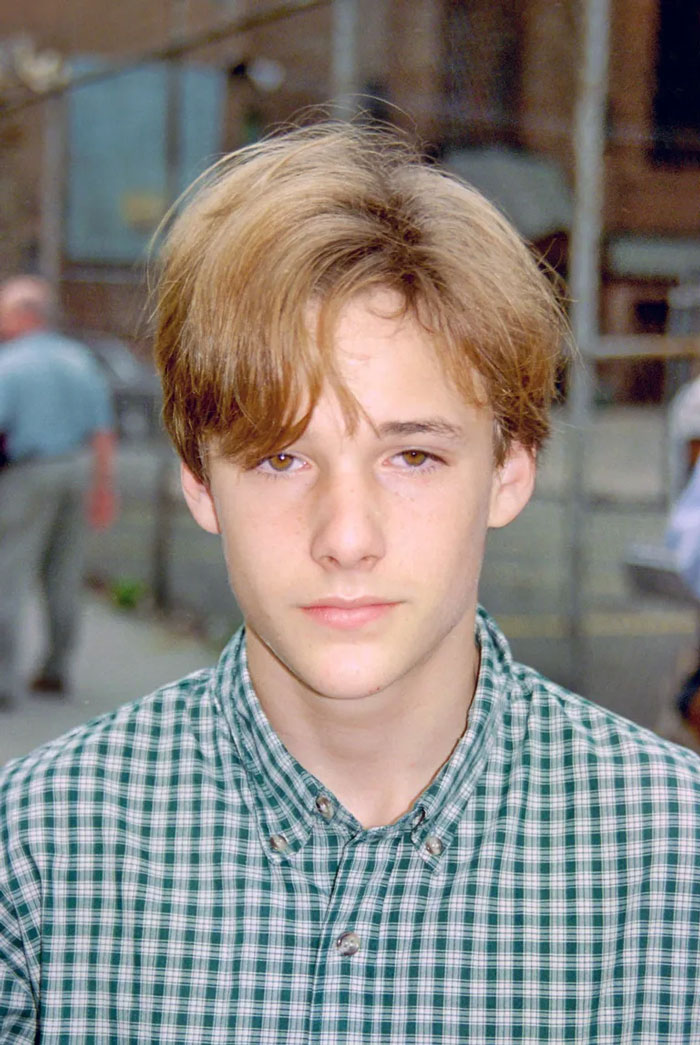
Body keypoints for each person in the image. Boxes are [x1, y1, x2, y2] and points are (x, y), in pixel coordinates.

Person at [1, 124, 700, 1043]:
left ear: (510, 470)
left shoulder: (677, 862)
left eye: (412, 455)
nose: (346, 537)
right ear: (200, 481)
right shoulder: (36, 856)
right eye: (281, 457)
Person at [0, 276, 116, 707]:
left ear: (24, 314)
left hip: (29, 474)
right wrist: (104, 488)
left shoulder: (9, 364)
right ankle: (55, 669)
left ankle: (2, 682)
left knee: (8, 575)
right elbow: (103, 431)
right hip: (78, 469)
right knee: (64, 577)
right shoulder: (79, 360)